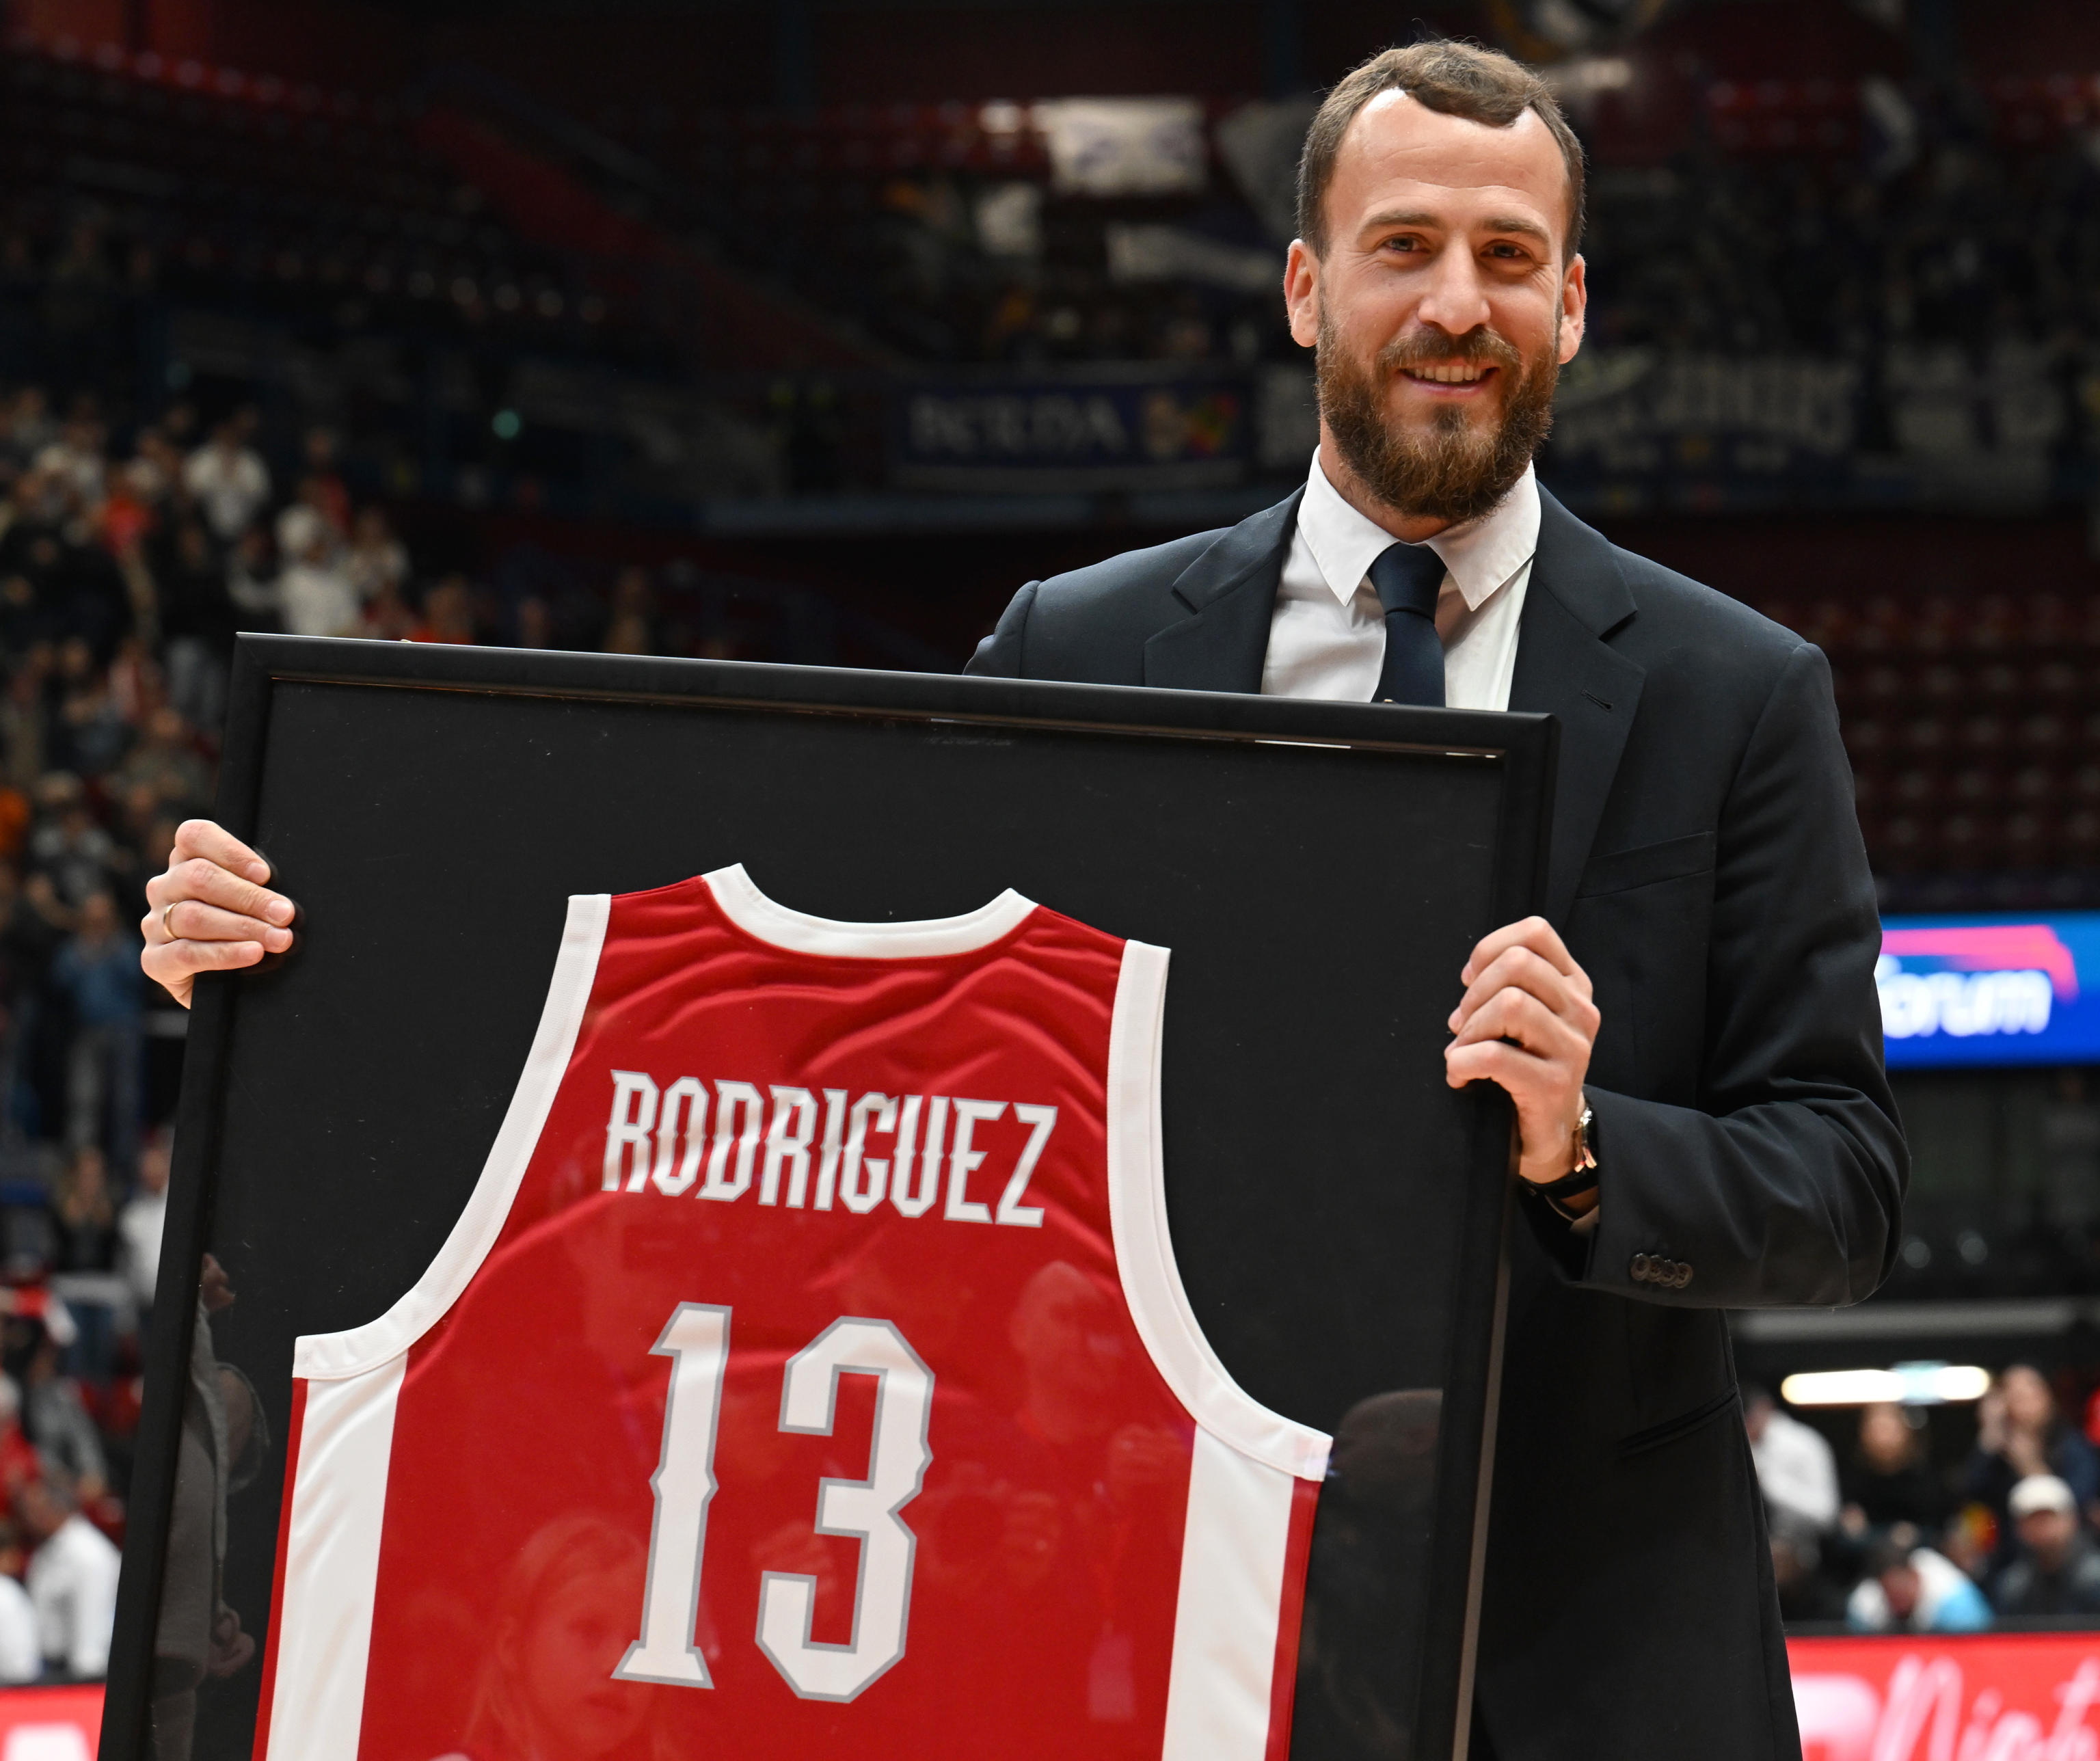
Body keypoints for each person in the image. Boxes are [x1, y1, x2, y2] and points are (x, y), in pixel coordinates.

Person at [134, 40, 1908, 1761]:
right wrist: (308, 969)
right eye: (1404, 249)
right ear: (1305, 289)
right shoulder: (1088, 646)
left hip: (1587, 1657)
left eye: (1509, 257)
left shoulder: (1734, 695)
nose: (1458, 303)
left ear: (1574, 306)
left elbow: (1842, 1179)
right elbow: (821, 1057)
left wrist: (1582, 1151)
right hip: (1141, 1620)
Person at [1966, 1365, 2099, 1570]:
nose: (2025, 1405)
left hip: (2069, 1559)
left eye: (2031, 1394)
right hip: (2013, 1559)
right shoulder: (1998, 1454)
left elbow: (2074, 1502)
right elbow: (1973, 1492)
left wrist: (2028, 1463)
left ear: (2047, 1397)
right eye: (2015, 1397)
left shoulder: (2072, 1446)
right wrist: (1990, 1434)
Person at [19, 1473, 120, 1680]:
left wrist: (83, 1686)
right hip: (46, 1668)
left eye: (30, 1510)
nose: (25, 1517)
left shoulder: (89, 1555)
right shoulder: (47, 1550)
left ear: (51, 1509)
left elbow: (92, 1630)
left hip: (75, 1673)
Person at [1992, 1473, 2100, 1617]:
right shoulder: (2014, 1586)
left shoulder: (2095, 1579)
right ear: (2019, 1528)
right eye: (2033, 1520)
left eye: (2049, 1518)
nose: (2043, 1528)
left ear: (2072, 1520)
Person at [1846, 1533, 1991, 1635]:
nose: (1897, 1600)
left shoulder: (1954, 1600)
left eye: (1901, 1591)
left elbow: (1977, 1652)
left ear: (1914, 1576)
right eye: (1891, 1594)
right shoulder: (1867, 1604)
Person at [1842, 1400, 1947, 1534]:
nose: (1882, 1438)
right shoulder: (1854, 1477)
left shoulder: (1923, 1477)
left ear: (1905, 1432)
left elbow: (1937, 1525)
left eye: (1887, 1429)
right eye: (1876, 1429)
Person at [1744, 1386, 1840, 1533]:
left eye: (1749, 1420)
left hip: (1798, 1544)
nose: (1747, 1428)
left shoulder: (1803, 1443)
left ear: (1765, 1408)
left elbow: (1826, 1514)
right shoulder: (1741, 1445)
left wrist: (1767, 1481)